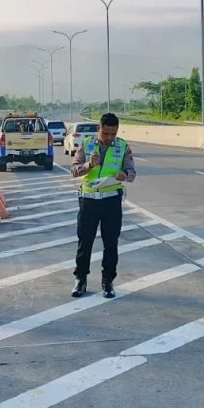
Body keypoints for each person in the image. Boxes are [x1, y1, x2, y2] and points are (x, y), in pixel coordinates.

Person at [69, 112, 136, 298]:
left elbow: (132, 172)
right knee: (85, 242)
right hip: (89, 200)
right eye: (106, 133)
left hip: (111, 201)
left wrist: (125, 176)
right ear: (99, 129)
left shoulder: (123, 147)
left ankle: (108, 281)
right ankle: (80, 279)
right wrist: (89, 165)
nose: (109, 138)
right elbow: (74, 170)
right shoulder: (87, 144)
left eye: (113, 134)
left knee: (111, 243)